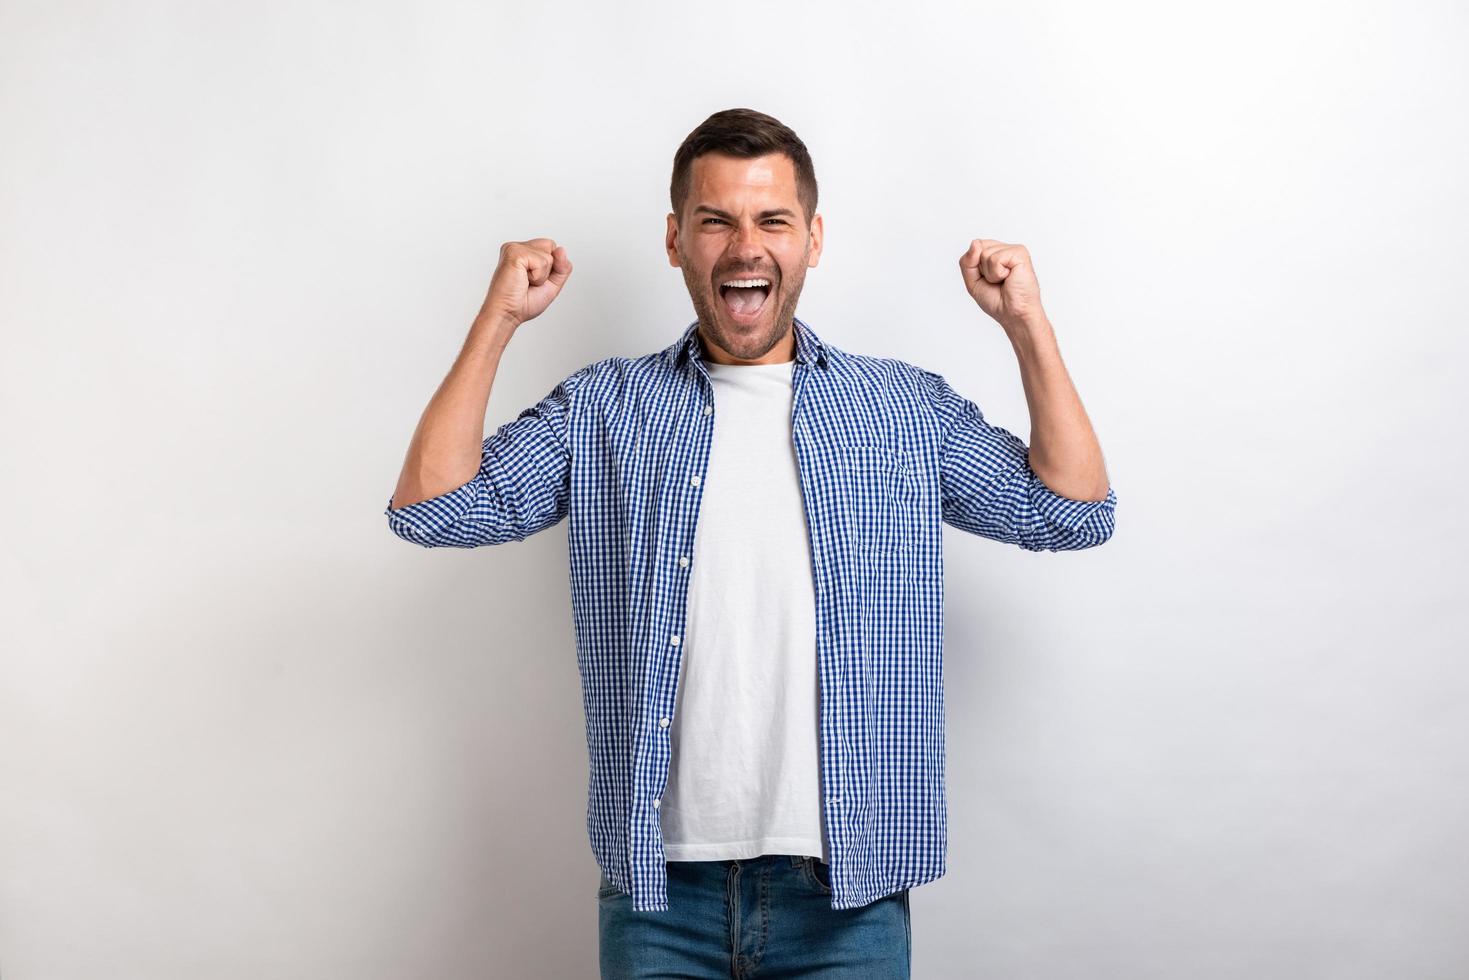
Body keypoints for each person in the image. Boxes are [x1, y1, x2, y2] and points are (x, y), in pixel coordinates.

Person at [384, 107, 1117, 979]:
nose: (744, 247)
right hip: (659, 898)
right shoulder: (605, 410)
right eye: (715, 220)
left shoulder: (900, 411)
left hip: (846, 895)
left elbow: (1070, 512)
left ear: (811, 239)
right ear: (674, 239)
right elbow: (432, 507)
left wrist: (1025, 324)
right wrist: (498, 319)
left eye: (771, 220)